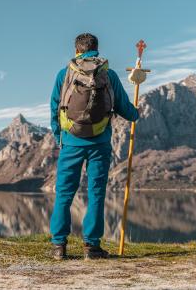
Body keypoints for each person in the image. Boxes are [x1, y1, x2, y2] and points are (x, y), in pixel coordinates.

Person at [49, 33, 145, 260]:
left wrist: (59, 139)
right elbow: (125, 109)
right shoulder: (108, 74)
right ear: (96, 50)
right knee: (96, 193)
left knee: (64, 193)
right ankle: (91, 247)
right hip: (100, 143)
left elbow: (55, 109)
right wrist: (136, 112)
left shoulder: (64, 74)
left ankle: (58, 246)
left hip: (70, 143)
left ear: (76, 51)